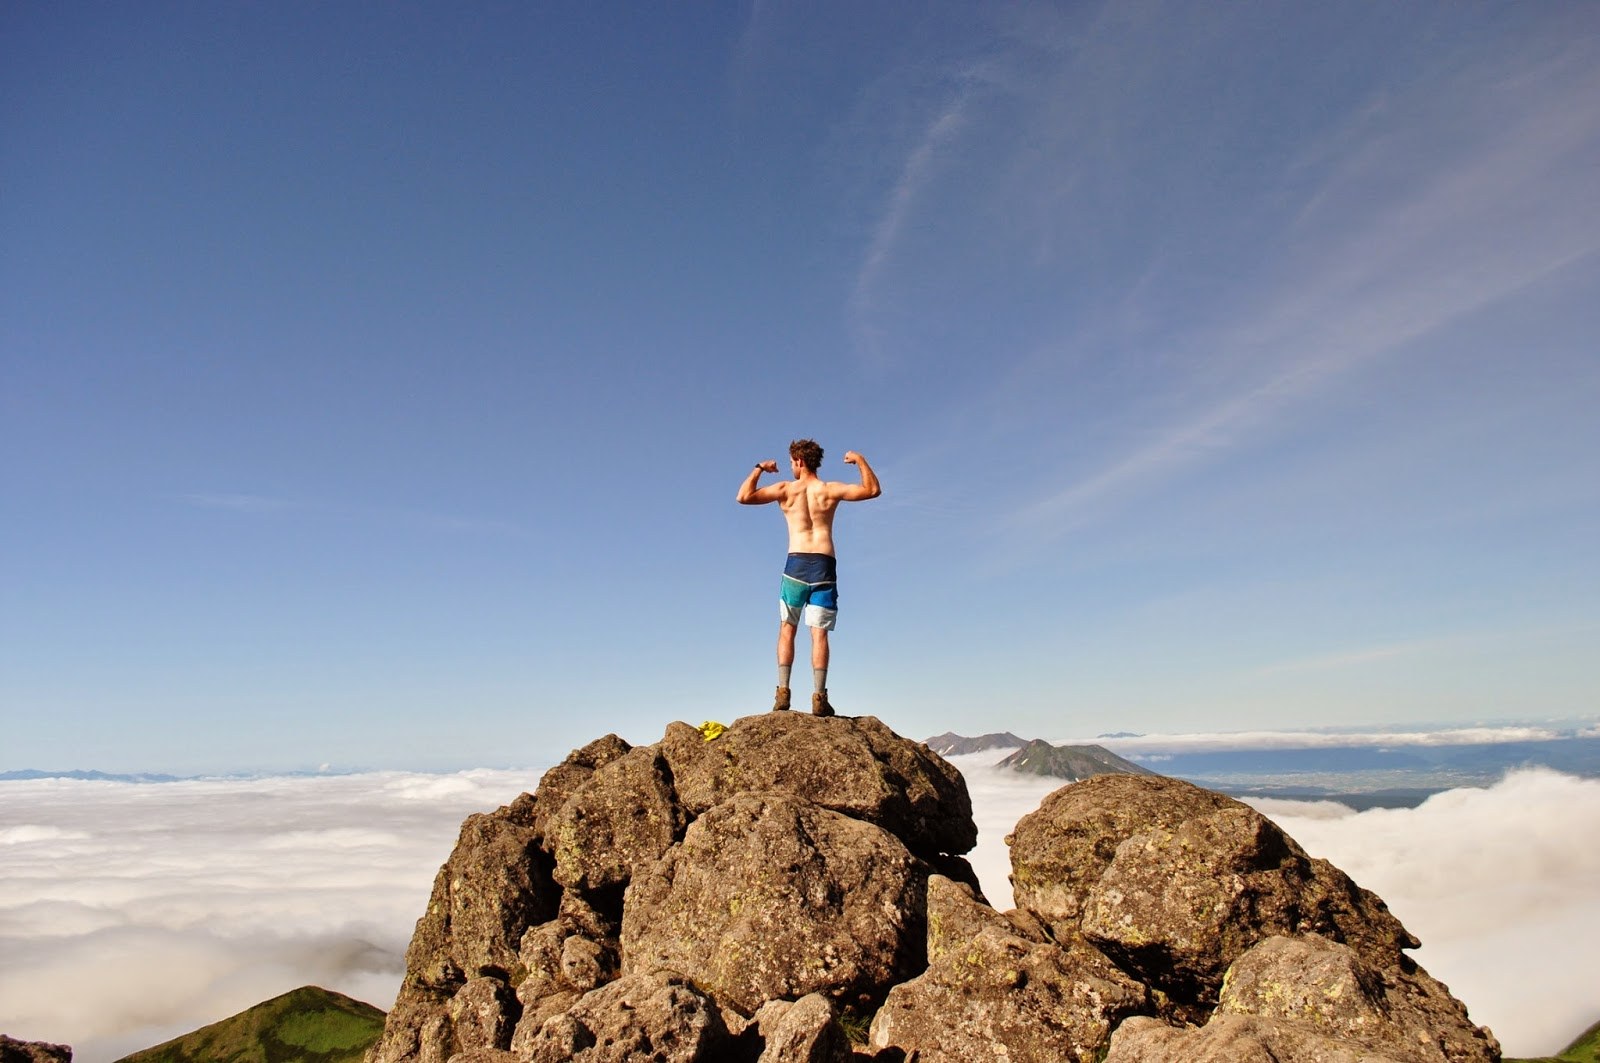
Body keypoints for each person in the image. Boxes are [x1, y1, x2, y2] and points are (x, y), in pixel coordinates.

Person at [736, 439, 881, 716]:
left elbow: (743, 496)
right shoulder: (829, 490)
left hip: (796, 564)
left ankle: (782, 692)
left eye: (792, 462)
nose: (790, 467)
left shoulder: (785, 490)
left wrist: (759, 469)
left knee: (787, 628)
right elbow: (873, 490)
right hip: (824, 565)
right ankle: (819, 697)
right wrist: (860, 460)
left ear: (799, 461)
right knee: (820, 635)